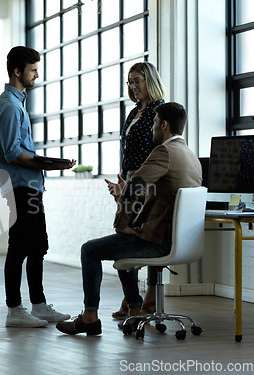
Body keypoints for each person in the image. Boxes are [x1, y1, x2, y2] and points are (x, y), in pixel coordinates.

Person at [56, 102, 202, 335]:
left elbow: (136, 186)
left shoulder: (164, 151)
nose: (152, 127)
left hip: (159, 242)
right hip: (181, 242)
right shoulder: (190, 156)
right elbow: (158, 196)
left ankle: (90, 317)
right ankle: (134, 310)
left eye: (154, 122)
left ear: (164, 125)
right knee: (125, 243)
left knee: (89, 250)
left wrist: (122, 224)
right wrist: (126, 192)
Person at [0, 46, 76, 328]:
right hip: (20, 187)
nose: (37, 75)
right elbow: (14, 152)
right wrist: (50, 164)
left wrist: (49, 164)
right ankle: (15, 310)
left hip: (29, 186)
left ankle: (38, 305)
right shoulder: (10, 106)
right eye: (33, 70)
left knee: (38, 245)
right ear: (18, 71)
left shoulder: (17, 103)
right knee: (20, 247)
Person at [106, 62, 166, 319]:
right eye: (130, 81)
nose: (133, 86)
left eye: (137, 80)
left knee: (149, 236)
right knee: (128, 235)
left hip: (149, 181)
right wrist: (123, 180)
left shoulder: (160, 110)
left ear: (150, 80)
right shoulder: (133, 112)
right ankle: (132, 298)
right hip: (130, 180)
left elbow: (162, 148)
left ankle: (148, 299)